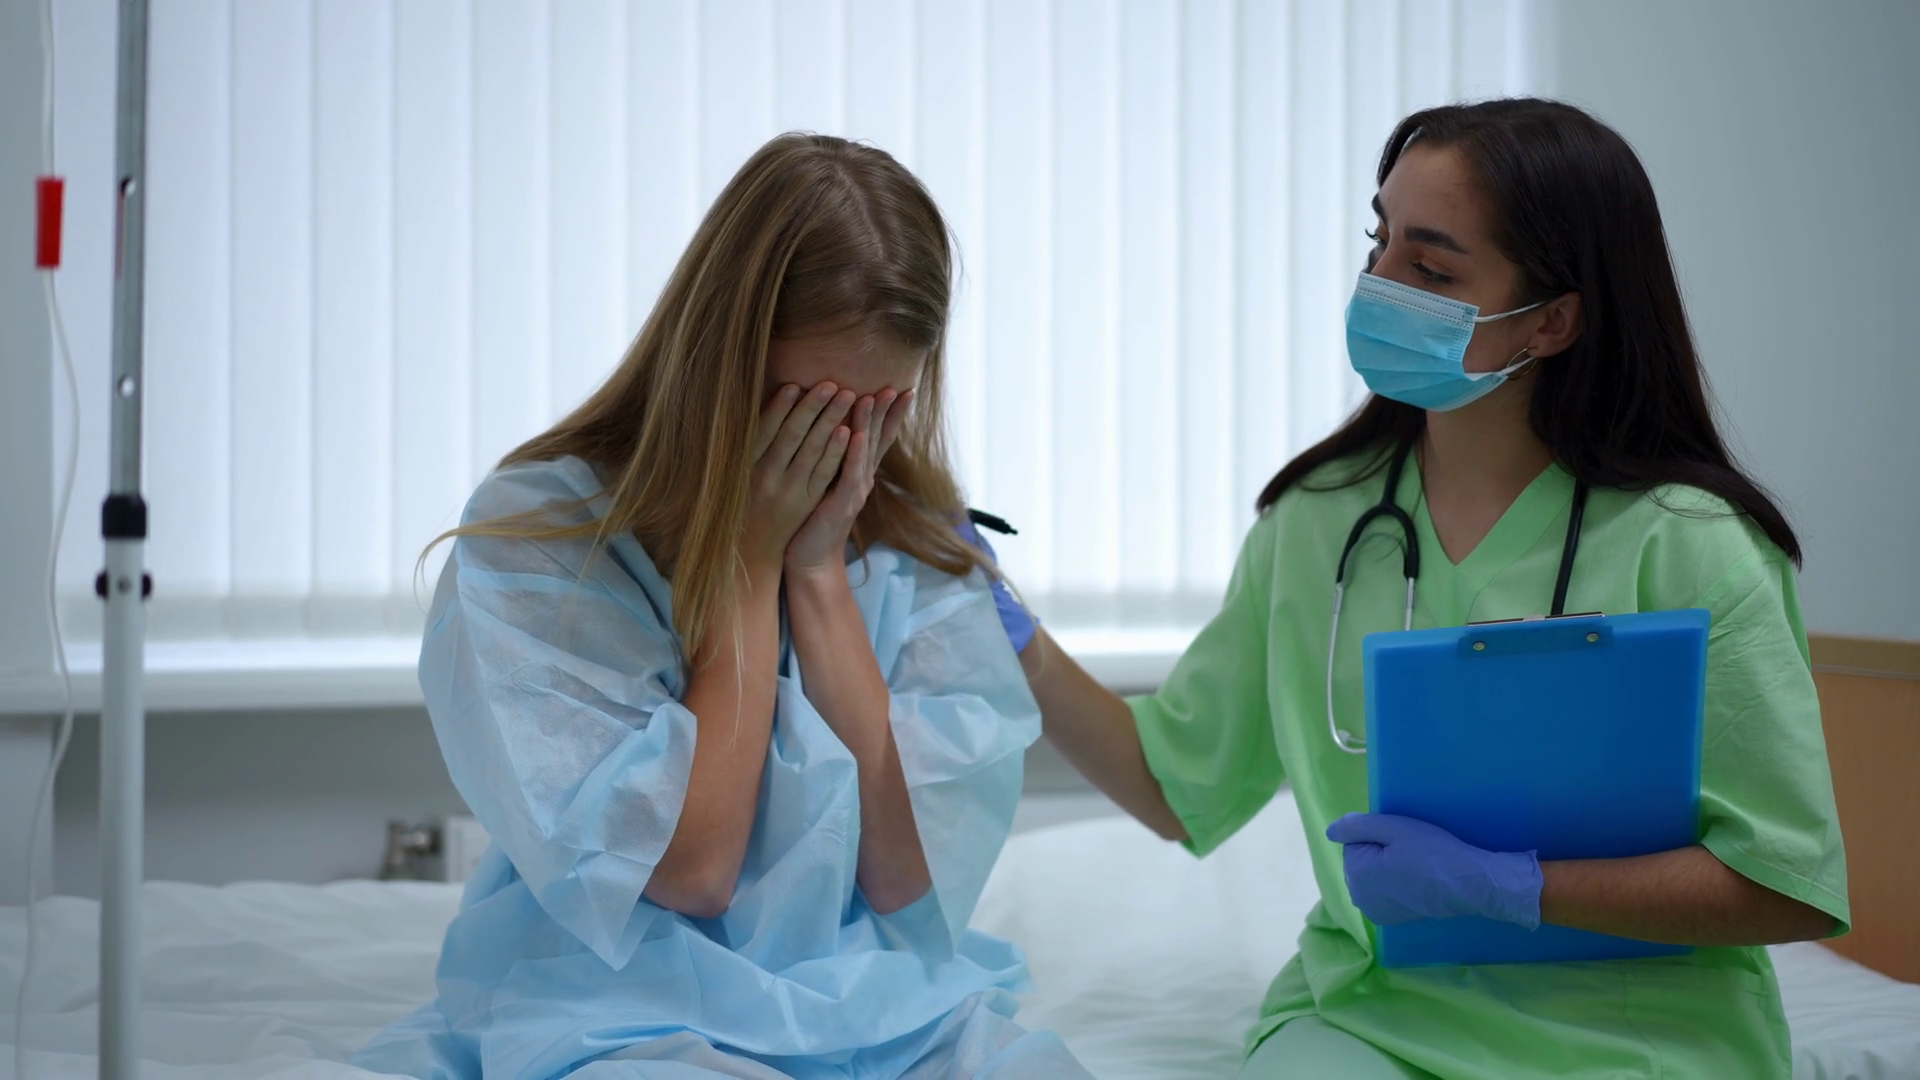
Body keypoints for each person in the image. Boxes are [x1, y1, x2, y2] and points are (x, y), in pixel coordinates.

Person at [987, 98, 1849, 1078]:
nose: (1379, 285)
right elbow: (1175, 787)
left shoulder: (1692, 546)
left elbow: (1783, 882)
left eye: (1432, 270)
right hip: (1370, 1018)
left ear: (1553, 320)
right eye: (1380, 242)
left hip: (1638, 1036)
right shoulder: (1317, 522)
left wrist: (1513, 888)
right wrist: (1004, 623)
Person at [353, 133, 1091, 1080]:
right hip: (625, 1005)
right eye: (809, 410)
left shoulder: (907, 549)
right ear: (720, 366)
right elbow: (692, 871)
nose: (840, 450)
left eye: (877, 414)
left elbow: (907, 887)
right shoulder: (542, 543)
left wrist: (816, 573)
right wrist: (745, 568)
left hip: (879, 1000)